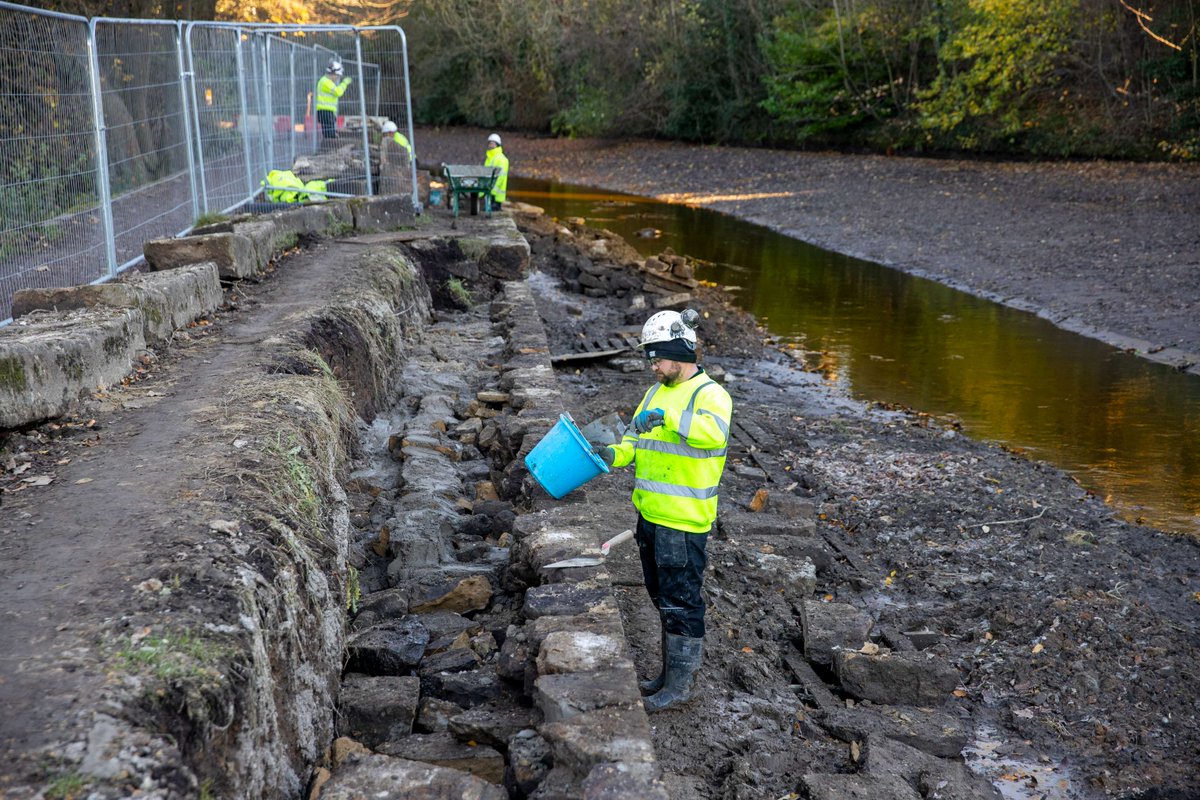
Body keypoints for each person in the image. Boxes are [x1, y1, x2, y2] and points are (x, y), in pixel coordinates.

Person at [592, 308, 733, 712]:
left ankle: (679, 688)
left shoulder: (711, 395)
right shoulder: (654, 393)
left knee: (681, 602)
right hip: (650, 519)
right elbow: (634, 441)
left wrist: (669, 417)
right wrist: (610, 454)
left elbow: (712, 434)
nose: (652, 364)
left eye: (656, 355)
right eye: (649, 357)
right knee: (661, 598)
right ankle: (667, 677)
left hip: (683, 523)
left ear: (678, 351)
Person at [315, 58, 352, 141]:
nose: (338, 78)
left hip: (327, 111)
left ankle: (328, 150)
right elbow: (338, 92)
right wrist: (344, 83)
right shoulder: (326, 82)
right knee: (330, 135)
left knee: (329, 134)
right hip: (326, 111)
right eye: (337, 76)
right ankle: (329, 151)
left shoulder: (326, 81)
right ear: (333, 73)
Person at [484, 132, 508, 210]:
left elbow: (500, 178)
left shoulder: (501, 159)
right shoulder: (489, 158)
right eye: (489, 143)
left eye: (492, 143)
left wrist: (492, 191)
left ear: (497, 145)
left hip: (496, 196)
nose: (490, 145)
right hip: (489, 194)